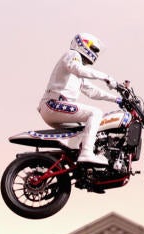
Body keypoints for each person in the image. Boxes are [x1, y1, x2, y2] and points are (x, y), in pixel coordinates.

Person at [37, 32, 121, 165]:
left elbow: (91, 91)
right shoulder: (72, 55)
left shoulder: (78, 72)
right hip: (54, 103)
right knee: (95, 113)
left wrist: (116, 99)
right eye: (94, 49)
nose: (96, 54)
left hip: (57, 107)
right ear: (83, 45)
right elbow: (78, 69)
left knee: (87, 128)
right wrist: (106, 77)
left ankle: (79, 163)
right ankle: (86, 153)